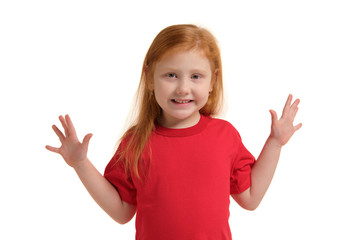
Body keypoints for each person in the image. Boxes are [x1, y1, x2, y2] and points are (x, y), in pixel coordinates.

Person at [46, 24, 302, 240]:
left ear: (213, 81)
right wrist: (80, 164)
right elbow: (121, 212)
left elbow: (250, 198)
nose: (182, 88)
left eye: (195, 77)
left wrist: (275, 143)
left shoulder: (225, 136)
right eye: (171, 75)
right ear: (149, 77)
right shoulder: (136, 142)